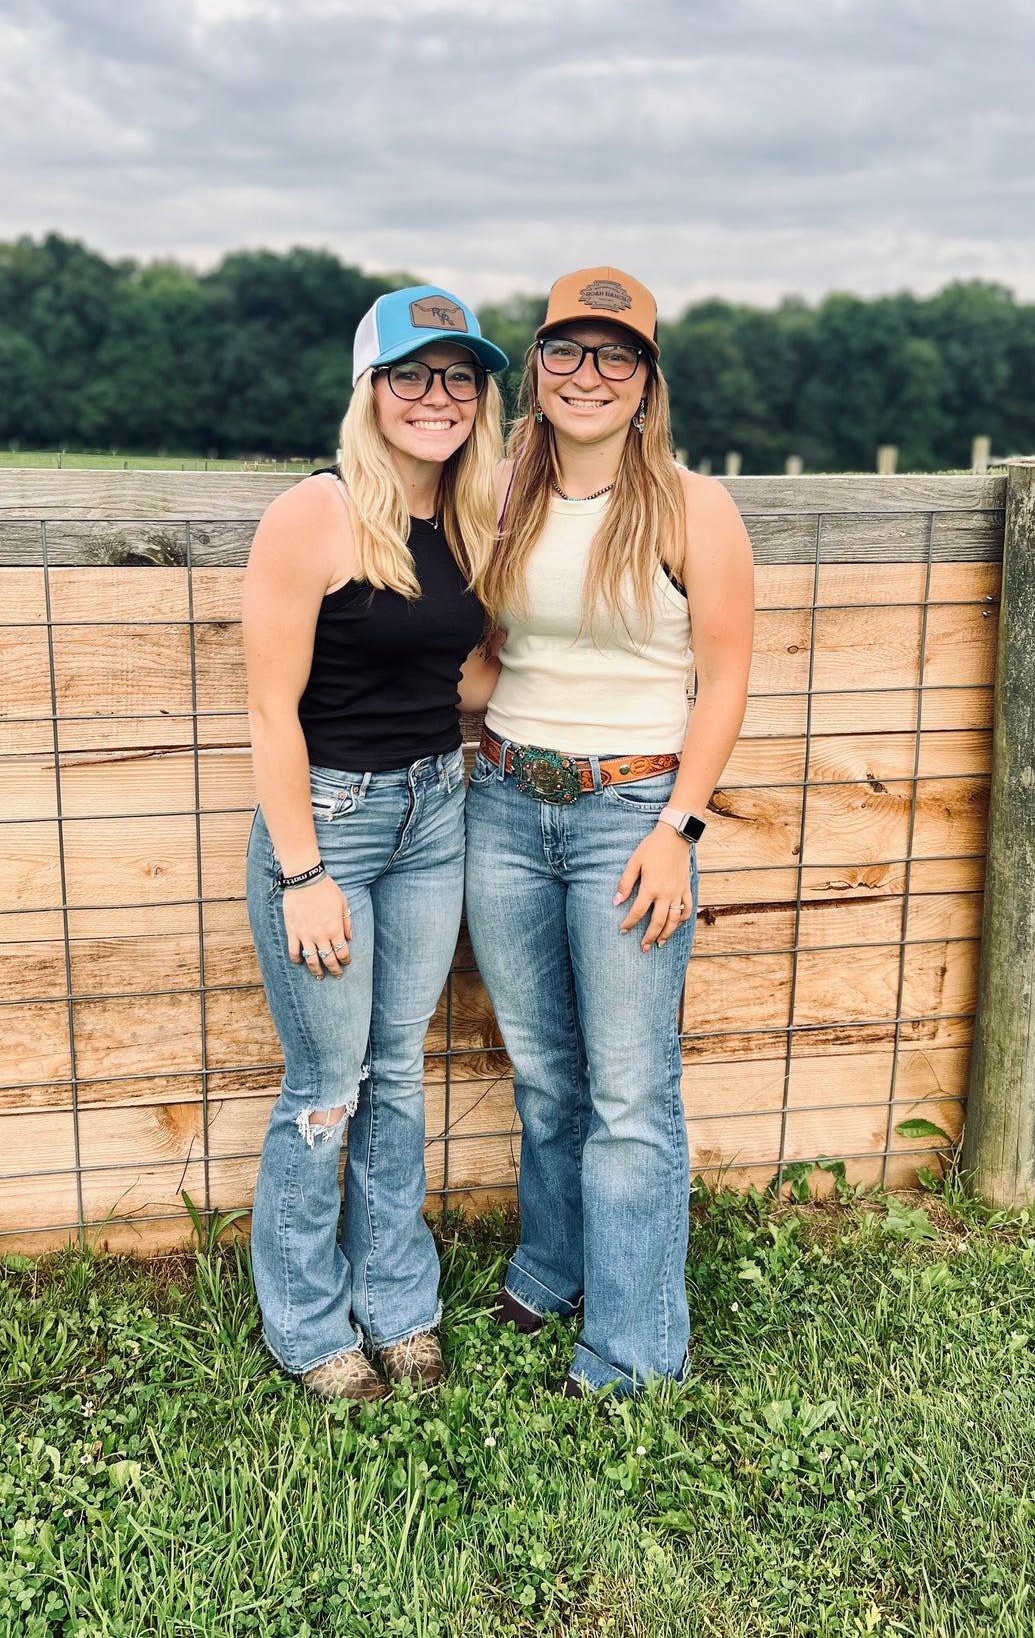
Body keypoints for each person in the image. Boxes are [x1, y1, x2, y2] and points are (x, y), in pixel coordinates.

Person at [466, 265, 754, 1399]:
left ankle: (636, 1347)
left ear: (645, 381)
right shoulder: (496, 490)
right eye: (566, 351)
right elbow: (487, 647)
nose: (588, 375)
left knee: (630, 1090)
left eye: (614, 356)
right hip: (500, 802)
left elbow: (724, 679)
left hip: (630, 811)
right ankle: (554, 1263)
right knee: (542, 1072)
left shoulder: (692, 505)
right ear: (535, 367)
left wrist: (678, 827)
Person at [242, 285, 508, 1402]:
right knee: (327, 1083)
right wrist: (301, 870)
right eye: (411, 375)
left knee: (397, 1071)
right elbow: (269, 711)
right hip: (333, 829)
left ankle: (397, 1300)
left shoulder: (470, 516)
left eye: (457, 377)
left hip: (432, 811)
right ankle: (306, 1319)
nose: (435, 397)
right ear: (369, 390)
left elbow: (462, 672)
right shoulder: (312, 514)